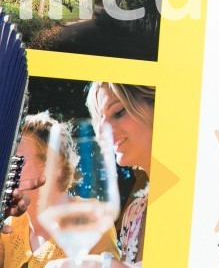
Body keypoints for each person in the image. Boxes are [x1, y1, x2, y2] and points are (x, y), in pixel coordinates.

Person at [48, 83, 155, 268]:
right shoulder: (134, 212)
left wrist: (104, 265)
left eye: (119, 112)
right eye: (100, 119)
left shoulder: (198, 197)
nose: (101, 132)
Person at [0, 113, 119, 268]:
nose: (7, 169)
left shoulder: (91, 218)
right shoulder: (9, 226)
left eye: (17, 161)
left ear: (56, 166)